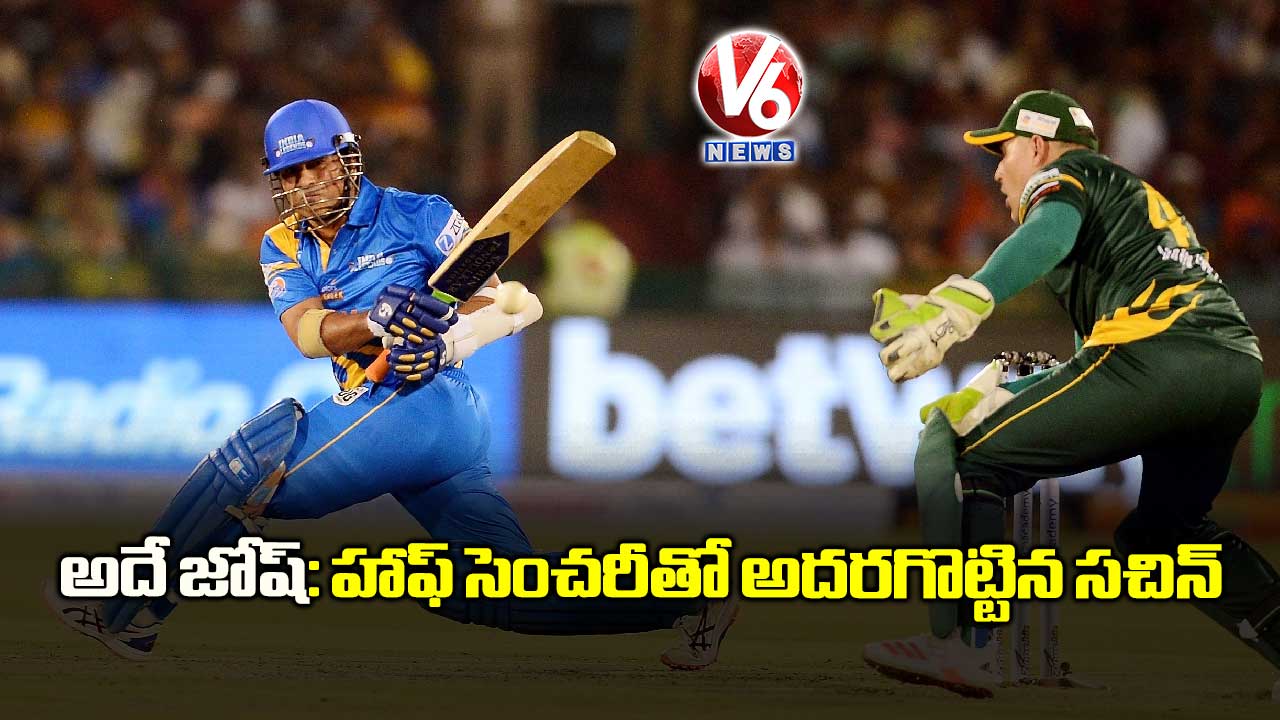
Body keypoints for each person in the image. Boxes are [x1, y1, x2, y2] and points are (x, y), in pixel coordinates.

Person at [45, 99, 736, 670]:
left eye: (315, 164)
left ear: (347, 159)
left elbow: (512, 304)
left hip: (429, 405)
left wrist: (445, 343)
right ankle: (691, 596)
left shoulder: (420, 214)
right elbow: (308, 334)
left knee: (252, 462)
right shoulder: (281, 243)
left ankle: (127, 610)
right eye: (289, 173)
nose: (304, 183)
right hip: (397, 410)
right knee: (502, 591)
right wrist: (377, 320)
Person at [860, 90, 1277, 698]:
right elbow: (1097, 358)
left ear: (1038, 146)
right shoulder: (1133, 200)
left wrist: (963, 304)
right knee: (1164, 536)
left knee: (973, 455)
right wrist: (1034, 387)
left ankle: (966, 648)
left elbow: (1050, 234)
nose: (997, 172)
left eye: (1004, 152)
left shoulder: (1066, 175)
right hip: (1234, 367)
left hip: (1158, 355)